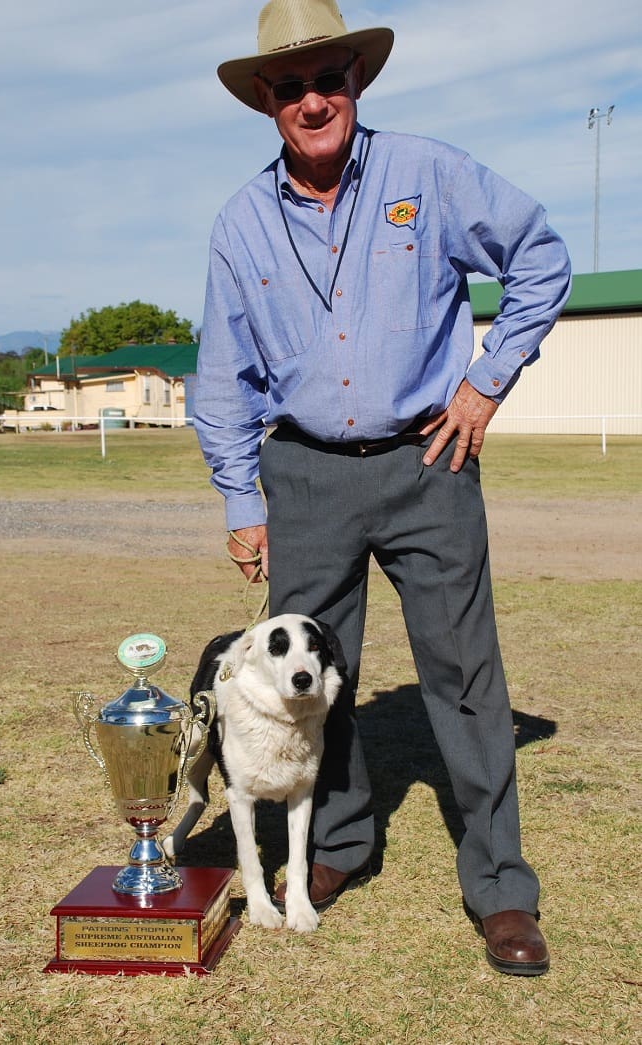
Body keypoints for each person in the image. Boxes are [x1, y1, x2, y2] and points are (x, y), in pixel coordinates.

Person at [194, 0, 571, 976]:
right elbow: (222, 376)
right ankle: (337, 845)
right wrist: (242, 503)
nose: (312, 99)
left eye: (329, 79)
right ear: (266, 104)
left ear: (357, 81)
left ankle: (501, 888)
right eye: (290, 87)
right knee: (309, 683)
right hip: (304, 476)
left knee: (464, 675)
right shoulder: (239, 224)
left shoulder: (428, 175)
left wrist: (486, 381)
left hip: (428, 460)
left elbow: (540, 257)